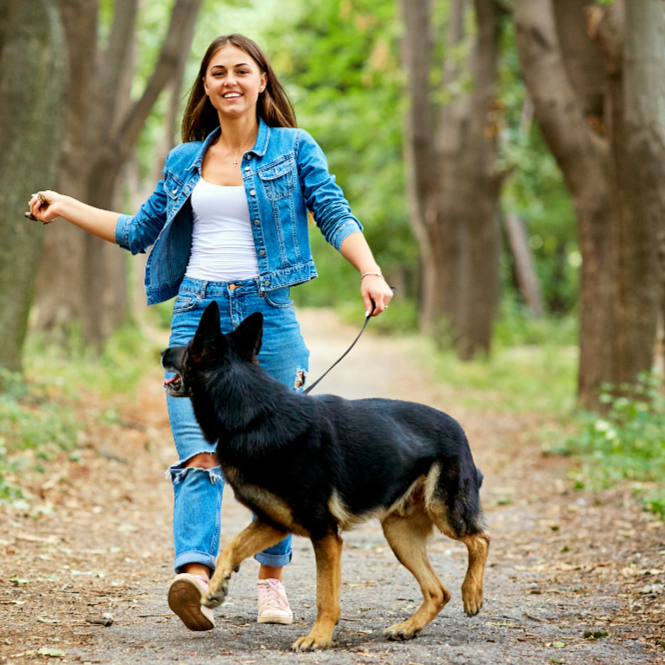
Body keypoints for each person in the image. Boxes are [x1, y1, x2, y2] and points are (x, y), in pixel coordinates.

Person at [28, 33, 393, 632]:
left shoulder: (295, 148)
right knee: (199, 454)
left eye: (241, 70)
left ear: (262, 81)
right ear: (205, 85)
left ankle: (271, 585)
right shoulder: (183, 160)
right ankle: (195, 577)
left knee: (285, 460)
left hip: (266, 319)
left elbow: (332, 210)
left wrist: (370, 270)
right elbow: (137, 232)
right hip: (196, 319)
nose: (229, 80)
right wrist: (66, 205)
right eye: (217, 71)